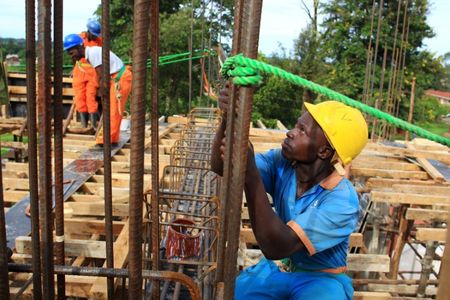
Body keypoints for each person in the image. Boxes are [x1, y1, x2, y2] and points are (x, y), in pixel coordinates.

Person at [211, 84, 368, 299]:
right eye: (296, 126)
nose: (290, 133)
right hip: (281, 268)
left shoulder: (341, 200)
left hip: (321, 279)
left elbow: (277, 246)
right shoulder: (283, 163)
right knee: (234, 294)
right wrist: (229, 119)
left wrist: (252, 176)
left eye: (302, 131)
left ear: (323, 151)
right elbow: (223, 167)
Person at [63, 33, 132, 146]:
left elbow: (102, 76)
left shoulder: (93, 53)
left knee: (113, 110)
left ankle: (107, 139)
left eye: (72, 53)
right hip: (118, 78)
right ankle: (112, 138)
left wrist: (101, 92)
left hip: (120, 79)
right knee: (114, 110)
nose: (72, 56)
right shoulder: (91, 53)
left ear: (80, 47)